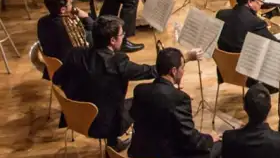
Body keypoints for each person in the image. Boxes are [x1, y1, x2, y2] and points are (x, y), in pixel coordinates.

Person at [53, 17, 190, 150]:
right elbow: (149, 71)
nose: (123, 36)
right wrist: (181, 60)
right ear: (112, 40)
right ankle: (136, 146)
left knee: (103, 99)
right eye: (121, 34)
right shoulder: (118, 63)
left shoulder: (75, 54)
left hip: (74, 117)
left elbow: (56, 79)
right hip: (104, 125)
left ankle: (113, 143)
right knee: (144, 100)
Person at [129, 48, 230, 158]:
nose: (183, 71)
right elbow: (190, 139)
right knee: (219, 145)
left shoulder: (140, 91)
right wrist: (210, 138)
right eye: (182, 67)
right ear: (174, 71)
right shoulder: (179, 99)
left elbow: (138, 116)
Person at [37, 0, 93, 79]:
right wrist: (86, 17)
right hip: (71, 74)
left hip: (53, 70)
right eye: (71, 2)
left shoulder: (42, 21)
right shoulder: (70, 27)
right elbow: (93, 35)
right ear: (63, 9)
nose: (72, 3)